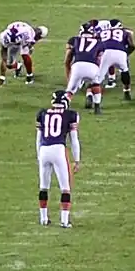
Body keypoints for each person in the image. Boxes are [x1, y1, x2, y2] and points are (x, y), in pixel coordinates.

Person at [36, 90, 81, 229]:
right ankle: (64, 220)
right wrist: (77, 159)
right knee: (65, 188)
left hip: (44, 149)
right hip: (58, 149)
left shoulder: (42, 114)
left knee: (44, 186)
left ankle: (43, 218)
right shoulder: (71, 115)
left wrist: (39, 155)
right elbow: (74, 140)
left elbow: (38, 139)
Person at [0, 21, 48, 86]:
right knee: (9, 65)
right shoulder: (3, 38)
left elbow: (30, 42)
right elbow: (3, 58)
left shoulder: (28, 33)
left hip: (24, 36)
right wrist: (2, 77)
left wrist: (30, 47)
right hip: (16, 34)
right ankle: (18, 66)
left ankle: (29, 75)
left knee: (25, 55)